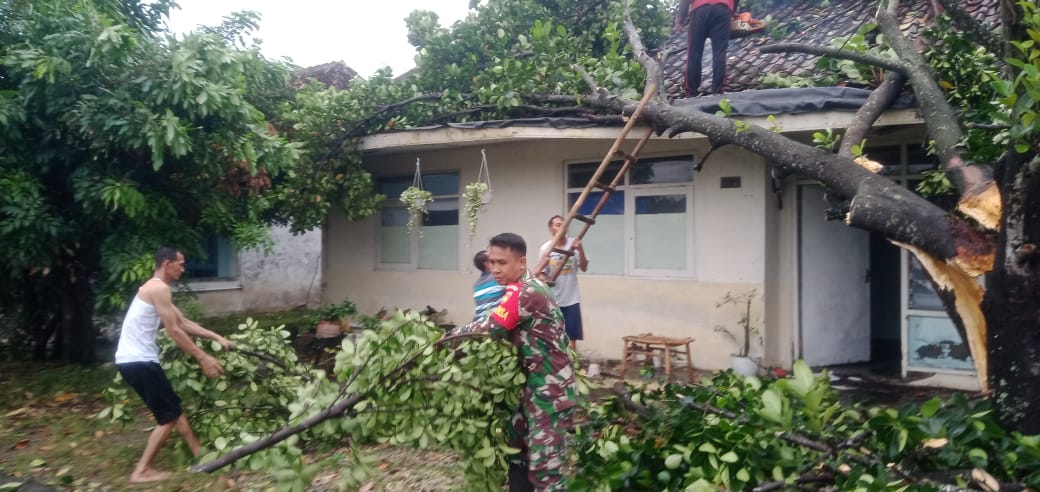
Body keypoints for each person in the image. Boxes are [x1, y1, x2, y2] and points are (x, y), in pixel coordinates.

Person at [459, 233, 576, 492]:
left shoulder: (526, 292)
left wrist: (448, 339)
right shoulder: (517, 288)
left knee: (546, 474)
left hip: (550, 394)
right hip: (531, 391)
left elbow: (489, 328)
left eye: (502, 263)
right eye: (491, 262)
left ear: (521, 263)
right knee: (518, 455)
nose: (495, 269)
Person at [113, 246, 232, 483]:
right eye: (180, 264)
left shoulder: (154, 288)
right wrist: (203, 357)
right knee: (168, 416)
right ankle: (141, 471)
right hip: (139, 361)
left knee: (174, 411)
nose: (183, 268)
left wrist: (216, 337)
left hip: (134, 360)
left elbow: (183, 322)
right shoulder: (159, 288)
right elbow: (174, 330)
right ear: (167, 264)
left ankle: (201, 456)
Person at [538, 215, 588, 350]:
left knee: (572, 339)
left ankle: (573, 366)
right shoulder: (546, 249)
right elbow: (541, 273)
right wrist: (544, 279)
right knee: (553, 337)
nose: (562, 227)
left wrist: (580, 249)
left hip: (572, 300)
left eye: (564, 224)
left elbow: (584, 267)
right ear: (551, 229)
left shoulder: (574, 244)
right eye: (558, 224)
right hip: (553, 300)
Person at [677, 0, 739, 96]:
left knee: (694, 52)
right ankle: (718, 90)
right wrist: (733, 11)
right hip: (722, 9)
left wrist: (680, 18)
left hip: (700, 9)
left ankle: (691, 91)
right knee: (720, 51)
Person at [473, 250, 506, 321]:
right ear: (487, 264)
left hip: (479, 323)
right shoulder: (496, 278)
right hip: (493, 322)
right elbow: (524, 283)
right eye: (492, 260)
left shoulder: (476, 284)